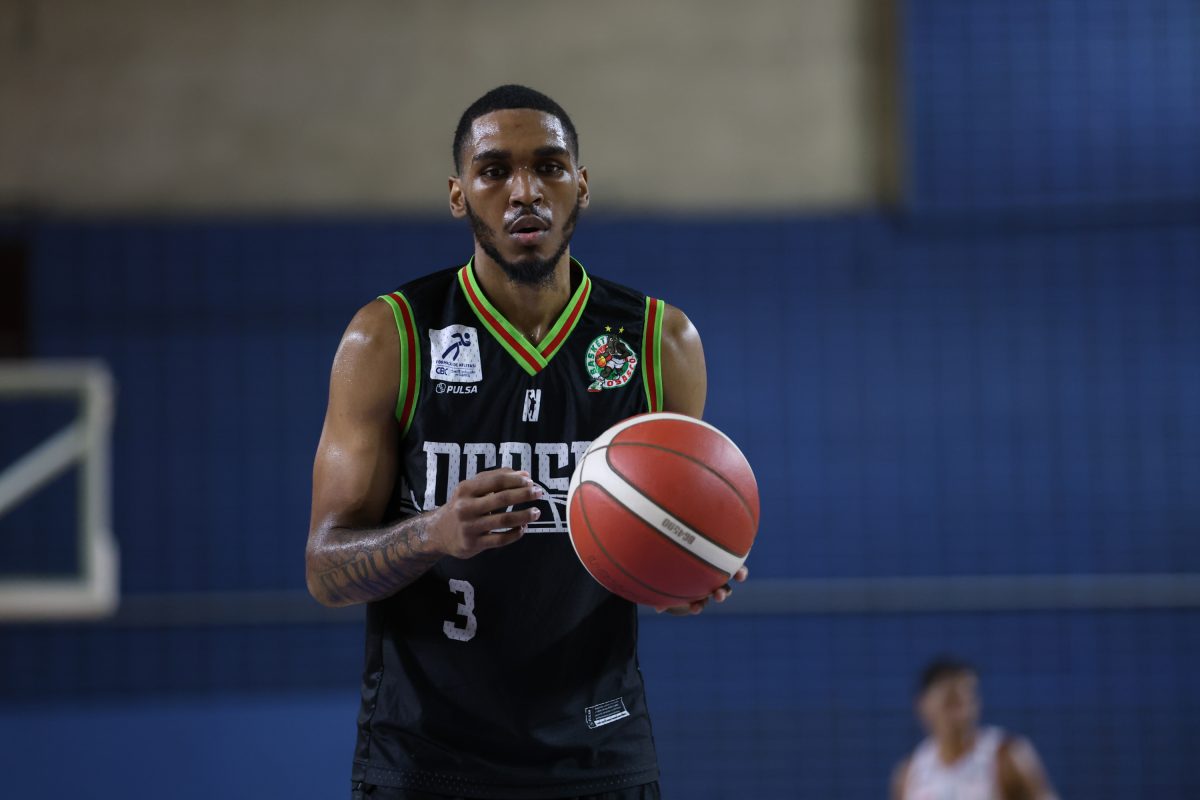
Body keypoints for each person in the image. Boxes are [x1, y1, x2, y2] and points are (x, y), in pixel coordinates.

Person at [306, 84, 747, 800]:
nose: (524, 191)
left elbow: (654, 541)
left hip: (597, 749)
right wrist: (433, 532)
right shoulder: (390, 337)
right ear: (459, 196)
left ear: (581, 185)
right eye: (494, 171)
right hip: (425, 756)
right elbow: (325, 569)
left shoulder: (658, 341)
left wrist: (682, 568)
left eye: (548, 166)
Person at [891, 657, 1058, 800]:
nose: (961, 712)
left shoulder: (1006, 756)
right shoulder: (909, 774)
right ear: (923, 705)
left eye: (968, 699)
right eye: (950, 701)